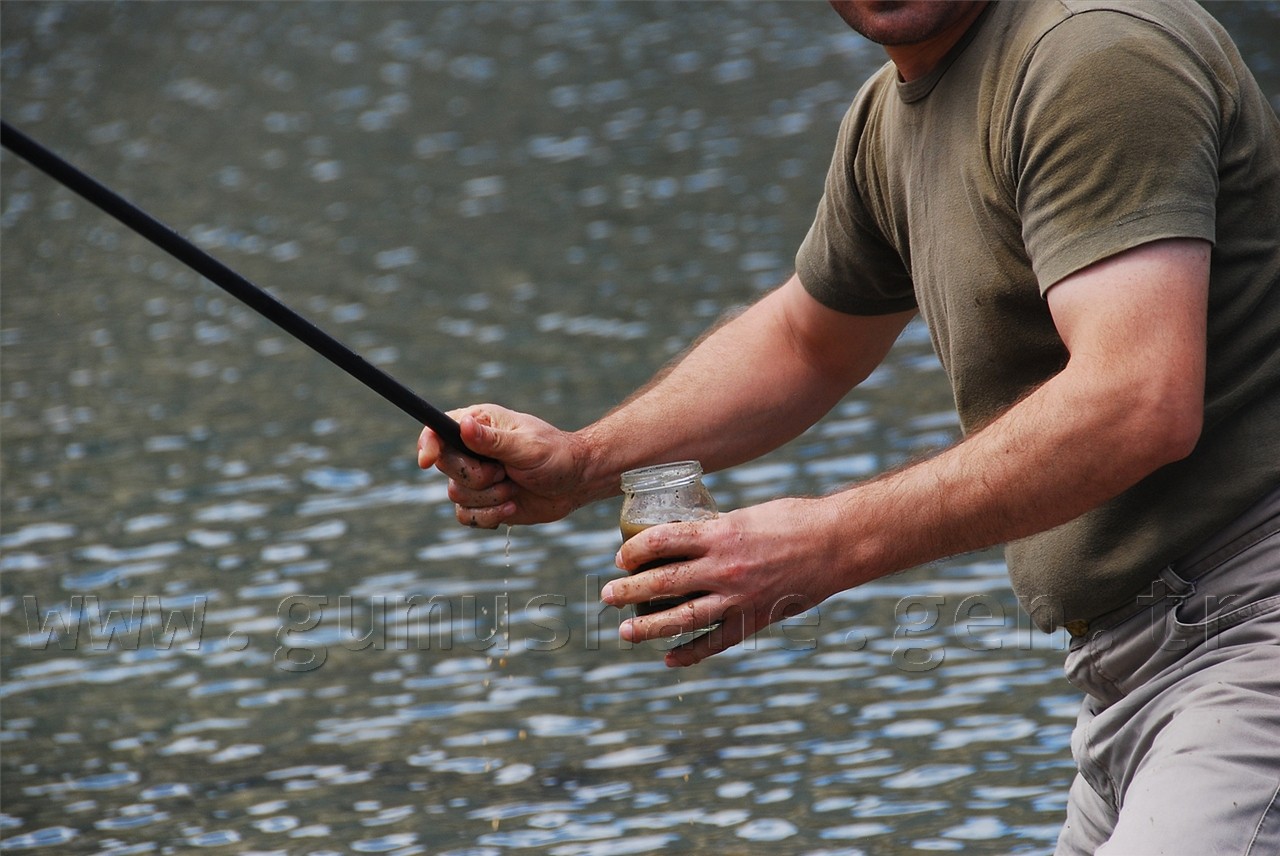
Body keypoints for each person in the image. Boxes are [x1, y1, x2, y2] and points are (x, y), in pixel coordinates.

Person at [418, 1, 1279, 852]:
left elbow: (1137, 401)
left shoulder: (1092, 53)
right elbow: (807, 342)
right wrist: (581, 462)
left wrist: (826, 544)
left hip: (1248, 633)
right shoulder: (890, 118)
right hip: (1135, 673)